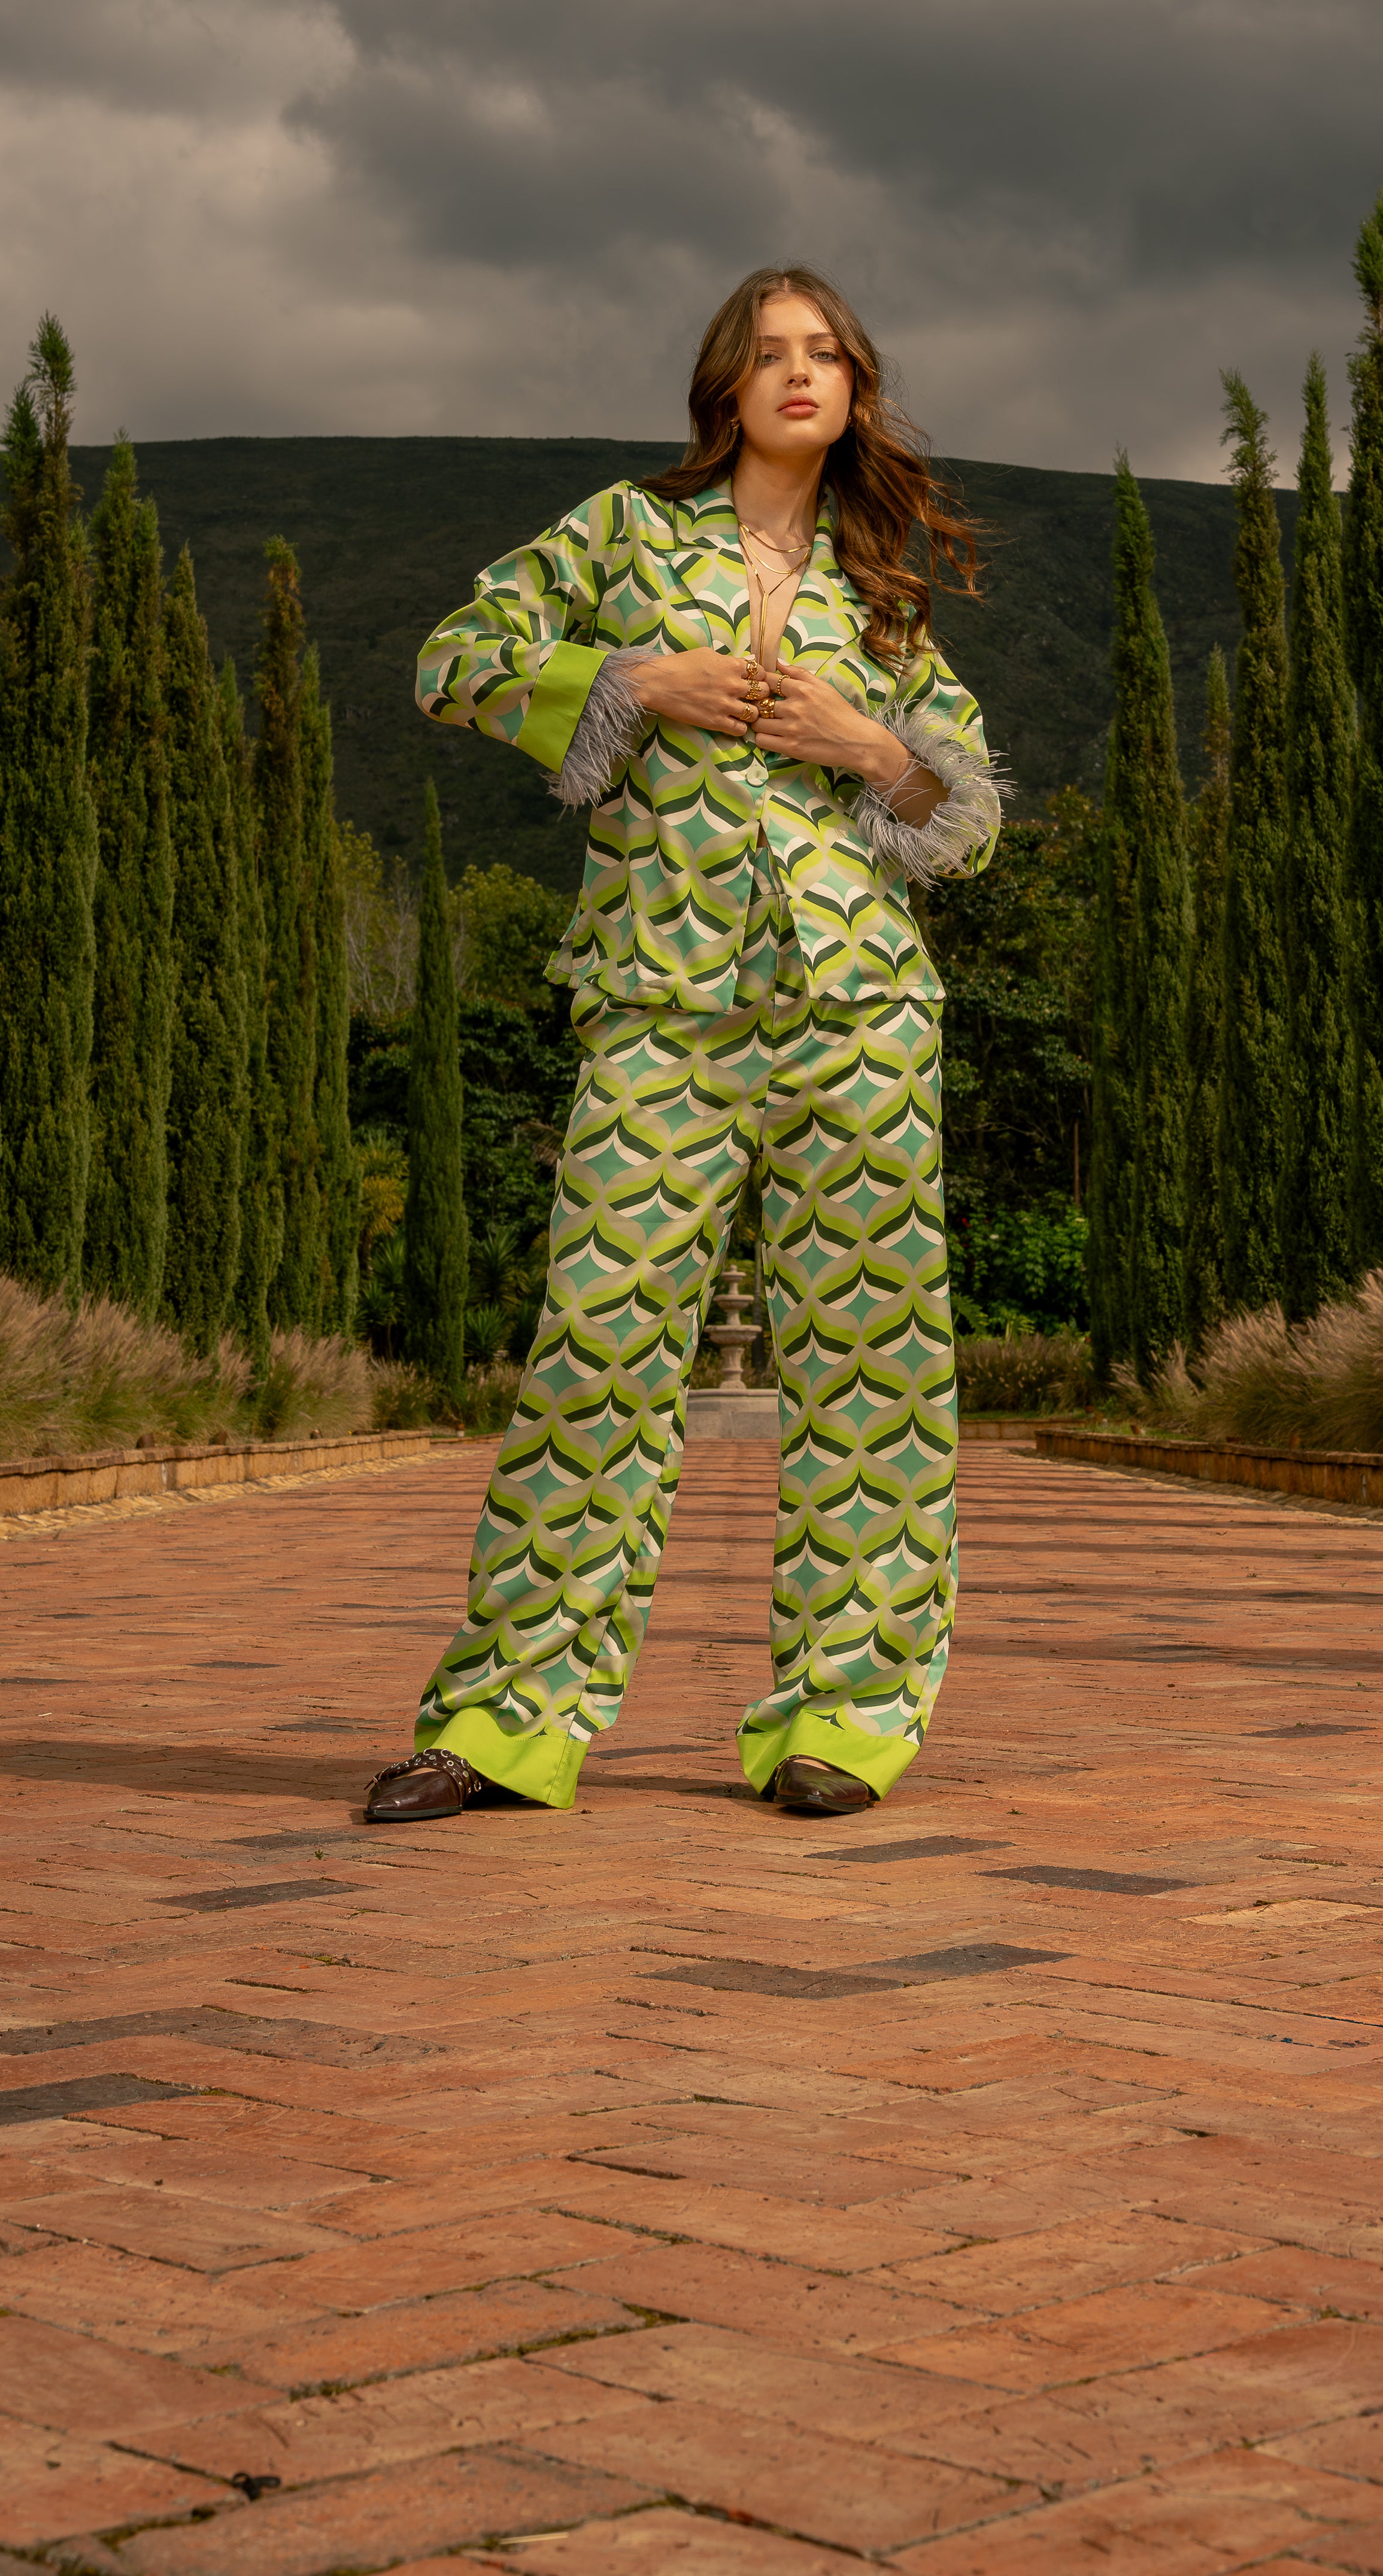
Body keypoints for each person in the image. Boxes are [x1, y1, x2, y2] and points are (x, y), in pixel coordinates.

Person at [365, 264, 1003, 1828]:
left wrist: (871, 748)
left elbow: (967, 817)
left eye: (825, 354)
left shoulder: (882, 592)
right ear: (723, 384)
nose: (798, 375)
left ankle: (847, 1718)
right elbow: (453, 661)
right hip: (662, 999)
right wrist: (632, 680)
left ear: (855, 387)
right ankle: (513, 1717)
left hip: (858, 1012)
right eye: (768, 353)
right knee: (597, 1341)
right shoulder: (623, 536)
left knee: (872, 1367)